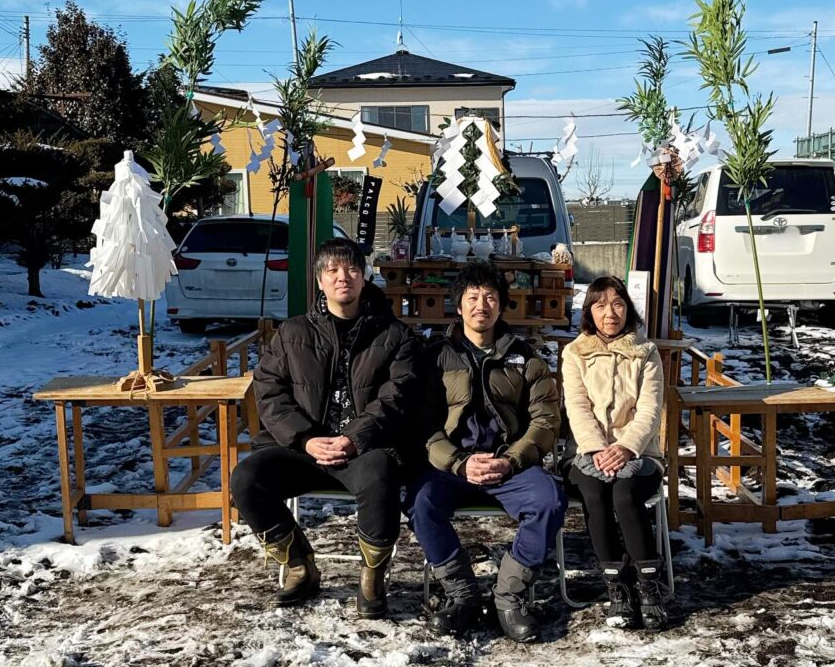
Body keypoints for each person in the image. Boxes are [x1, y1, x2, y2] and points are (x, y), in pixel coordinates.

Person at [231, 237, 416, 617]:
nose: (341, 277)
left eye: (350, 269)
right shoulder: (292, 333)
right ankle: (300, 566)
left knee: (381, 474)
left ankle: (371, 578)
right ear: (319, 281)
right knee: (247, 478)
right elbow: (269, 391)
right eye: (331, 270)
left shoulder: (395, 335)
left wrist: (354, 437)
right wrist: (305, 438)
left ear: (364, 278)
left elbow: (398, 396)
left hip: (366, 449)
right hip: (303, 448)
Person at [406, 261, 566, 643]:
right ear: (458, 307)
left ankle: (508, 596)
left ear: (501, 306)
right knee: (419, 502)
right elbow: (421, 424)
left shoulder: (526, 358)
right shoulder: (435, 357)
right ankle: (462, 594)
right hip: (452, 466)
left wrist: (510, 460)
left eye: (491, 297)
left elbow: (545, 421)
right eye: (473, 297)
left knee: (548, 500)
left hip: (509, 465)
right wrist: (459, 463)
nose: (482, 305)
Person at [561, 275, 668, 631]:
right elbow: (577, 407)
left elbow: (651, 410)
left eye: (618, 304)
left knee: (624, 494)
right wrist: (595, 449)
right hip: (585, 452)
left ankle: (649, 587)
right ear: (590, 311)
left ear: (628, 308)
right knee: (594, 492)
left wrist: (625, 447)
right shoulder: (574, 352)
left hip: (639, 453)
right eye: (601, 305)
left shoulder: (646, 351)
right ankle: (617, 588)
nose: (611, 313)